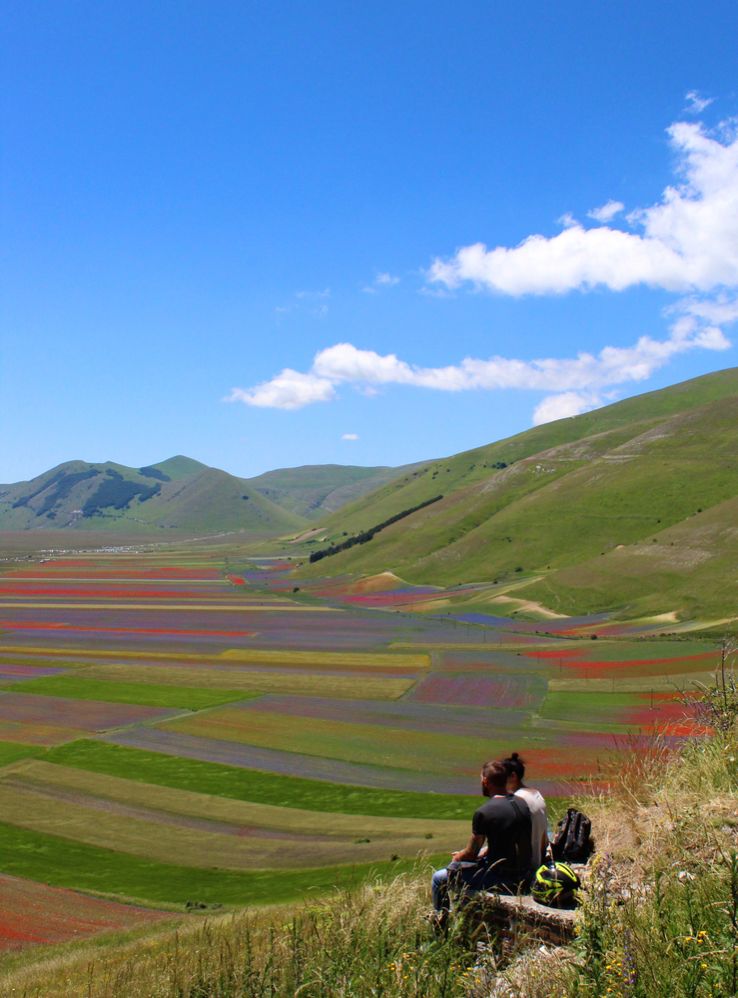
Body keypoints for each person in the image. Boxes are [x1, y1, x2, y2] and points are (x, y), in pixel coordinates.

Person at [431, 759, 532, 912]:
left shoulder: (485, 812)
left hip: (502, 878)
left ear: (485, 781)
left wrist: (458, 857)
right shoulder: (522, 803)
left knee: (439, 879)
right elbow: (508, 840)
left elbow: (471, 853)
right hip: (525, 873)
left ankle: (441, 924)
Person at [502, 751, 548, 870]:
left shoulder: (517, 801)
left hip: (522, 868)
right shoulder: (536, 794)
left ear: (513, 776)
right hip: (537, 862)